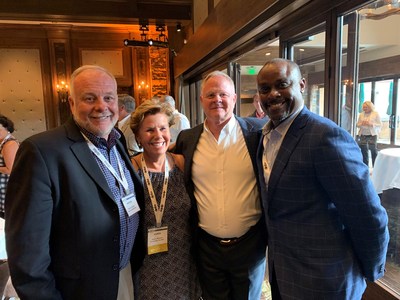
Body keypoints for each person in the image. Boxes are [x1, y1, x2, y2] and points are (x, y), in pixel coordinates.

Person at [5, 65, 145, 300]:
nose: (101, 106)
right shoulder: (42, 152)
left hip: (124, 275)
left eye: (108, 98)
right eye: (89, 98)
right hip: (78, 290)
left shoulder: (116, 142)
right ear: (71, 103)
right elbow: (27, 253)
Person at [256, 58, 389, 299]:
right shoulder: (264, 136)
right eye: (265, 89)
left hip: (328, 283)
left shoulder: (326, 137)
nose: (273, 94)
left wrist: (368, 273)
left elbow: (368, 215)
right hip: (284, 276)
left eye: (282, 84)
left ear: (302, 85)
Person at [175, 71, 267, 300]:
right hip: (207, 247)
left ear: (234, 98)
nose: (217, 99)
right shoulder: (187, 138)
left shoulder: (258, 133)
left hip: (249, 245)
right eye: (211, 94)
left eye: (223, 94)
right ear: (201, 100)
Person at [130, 100, 201, 299]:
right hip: (147, 262)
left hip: (184, 258)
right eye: (149, 130)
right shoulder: (131, 170)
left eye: (162, 128)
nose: (158, 135)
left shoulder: (181, 164)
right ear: (138, 136)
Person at [0, 115, 19, 298]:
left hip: (8, 191)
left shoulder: (9, 144)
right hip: (3, 190)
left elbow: (12, 169)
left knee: (8, 226)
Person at [0, 115, 19, 219]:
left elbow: (10, 170)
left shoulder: (9, 144)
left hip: (7, 187)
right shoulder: (2, 143)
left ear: (7, 129)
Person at [356, 100, 382, 167]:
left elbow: (380, 124)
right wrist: (361, 123)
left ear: (370, 107)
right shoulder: (361, 114)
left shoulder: (375, 114)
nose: (364, 109)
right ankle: (365, 167)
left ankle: (375, 167)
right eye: (363, 107)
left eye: (366, 107)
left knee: (373, 150)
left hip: (372, 135)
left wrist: (372, 124)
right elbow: (357, 124)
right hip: (363, 134)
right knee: (364, 151)